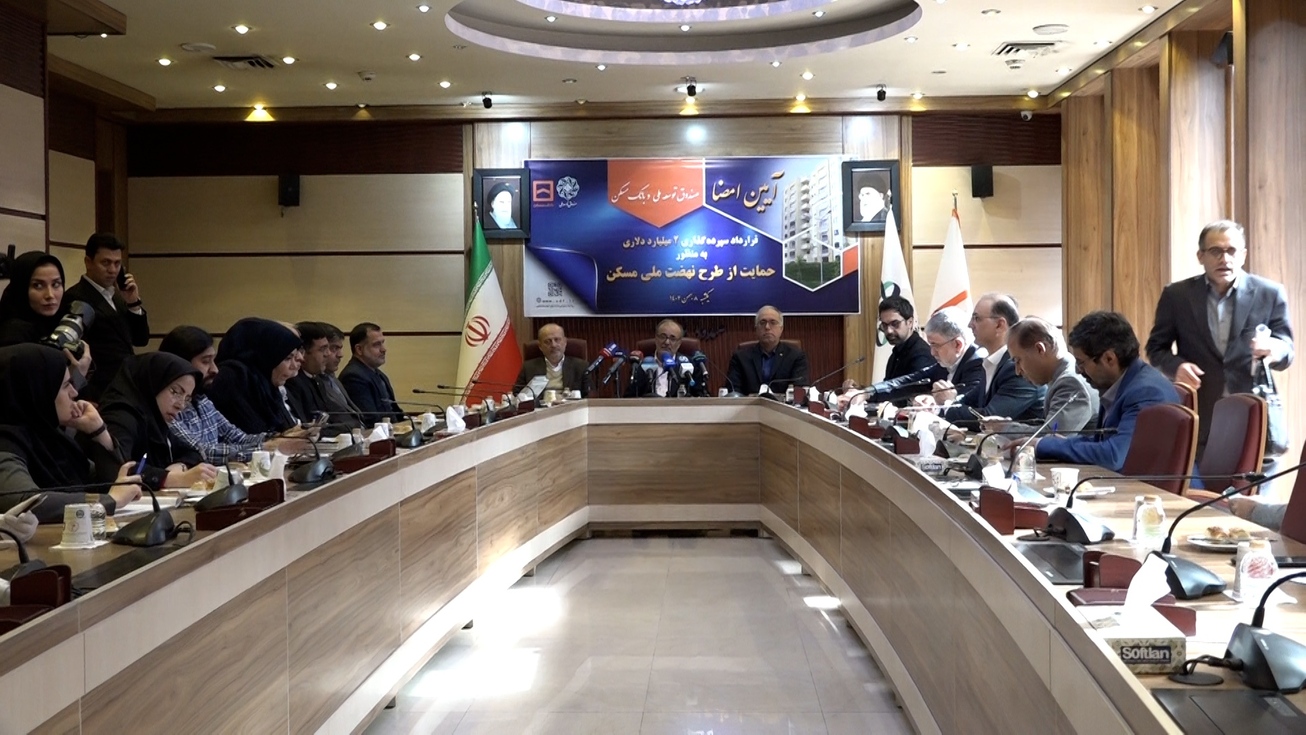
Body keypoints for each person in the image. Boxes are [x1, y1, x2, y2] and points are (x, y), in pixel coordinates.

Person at [1145, 220, 1294, 454]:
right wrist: (1177, 367)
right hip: (1201, 416)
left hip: (1254, 416)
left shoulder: (1269, 293)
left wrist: (1274, 349)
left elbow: (1287, 349)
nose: (1224, 259)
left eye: (1231, 251)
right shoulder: (1177, 296)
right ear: (1200, 256)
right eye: (1215, 251)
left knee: (1254, 478)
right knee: (1202, 477)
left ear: (1243, 255)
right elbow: (1156, 348)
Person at [0, 344, 142, 523]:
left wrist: (99, 432)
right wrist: (107, 501)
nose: (74, 393)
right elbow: (25, 503)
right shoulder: (5, 442)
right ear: (37, 390)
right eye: (66, 385)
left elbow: (113, 484)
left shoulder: (51, 436)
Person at [1034, 311, 1180, 471]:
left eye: (1081, 363)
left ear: (1109, 359)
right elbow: (1102, 443)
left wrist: (1044, 445)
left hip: (1150, 486)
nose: (1077, 370)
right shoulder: (1122, 383)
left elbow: (1113, 456)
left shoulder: (1145, 392)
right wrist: (1054, 444)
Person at [160, 326, 306, 464]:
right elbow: (201, 452)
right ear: (181, 362)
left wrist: (283, 437)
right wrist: (267, 448)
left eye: (213, 361)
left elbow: (238, 438)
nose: (215, 369)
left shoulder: (202, 401)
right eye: (206, 362)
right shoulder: (168, 405)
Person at [94, 352, 217, 490]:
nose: (181, 405)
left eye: (187, 398)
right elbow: (118, 469)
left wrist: (180, 466)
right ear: (152, 383)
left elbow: (192, 453)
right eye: (175, 391)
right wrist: (171, 479)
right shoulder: (120, 415)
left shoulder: (155, 418)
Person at [919, 293, 1042, 427]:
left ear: (999, 325)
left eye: (976, 318)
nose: (970, 325)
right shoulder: (992, 361)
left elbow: (988, 419)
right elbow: (969, 401)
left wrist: (948, 403)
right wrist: (937, 404)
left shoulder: (1018, 366)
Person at [60, 233, 150, 401]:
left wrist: (133, 303)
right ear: (88, 262)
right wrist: (86, 397)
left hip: (124, 386)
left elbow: (141, 339)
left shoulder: (118, 296)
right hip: (98, 392)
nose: (113, 270)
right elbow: (74, 355)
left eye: (117, 263)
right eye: (106, 263)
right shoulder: (76, 297)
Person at [987, 316, 1099, 435]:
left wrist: (1005, 429)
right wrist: (1006, 426)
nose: (1017, 371)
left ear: (1040, 349)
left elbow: (1053, 436)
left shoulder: (1071, 383)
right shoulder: (1063, 374)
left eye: (1018, 360)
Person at [0, 251, 93, 382]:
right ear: (21, 288)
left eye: (56, 284)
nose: (50, 294)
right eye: (38, 285)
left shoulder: (62, 322)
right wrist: (76, 377)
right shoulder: (13, 335)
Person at [866, 306, 984, 404]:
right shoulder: (946, 363)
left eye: (936, 345)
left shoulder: (978, 365)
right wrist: (868, 392)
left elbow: (969, 409)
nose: (932, 352)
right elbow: (909, 382)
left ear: (958, 344)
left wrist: (941, 403)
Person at [207, 318, 303, 434]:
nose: (294, 365)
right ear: (265, 356)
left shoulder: (265, 384)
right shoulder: (233, 377)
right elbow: (249, 435)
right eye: (287, 358)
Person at [726, 305, 808, 395]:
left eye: (773, 322)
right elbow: (733, 391)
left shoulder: (795, 356)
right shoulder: (740, 358)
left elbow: (799, 390)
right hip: (749, 404)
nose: (767, 327)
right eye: (762, 322)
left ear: (781, 329)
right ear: (756, 329)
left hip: (782, 404)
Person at [340, 322, 405, 422]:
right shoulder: (353, 377)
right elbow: (370, 420)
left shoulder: (378, 374)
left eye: (382, 343)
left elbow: (395, 412)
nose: (384, 349)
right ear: (359, 349)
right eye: (377, 345)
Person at [626, 319, 708, 397]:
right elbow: (629, 397)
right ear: (656, 339)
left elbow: (701, 396)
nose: (667, 342)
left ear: (679, 343)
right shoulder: (641, 365)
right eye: (663, 337)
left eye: (672, 338)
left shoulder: (690, 365)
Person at [515, 323, 590, 398]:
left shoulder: (581, 366)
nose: (553, 345)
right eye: (548, 341)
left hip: (570, 405)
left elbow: (590, 395)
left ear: (565, 342)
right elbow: (516, 394)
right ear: (540, 346)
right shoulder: (528, 367)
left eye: (557, 340)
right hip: (541, 405)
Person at [317, 322, 365, 430]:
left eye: (340, 348)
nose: (340, 354)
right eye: (334, 348)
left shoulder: (332, 378)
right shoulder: (315, 383)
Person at [285, 321, 335, 424]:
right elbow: (306, 425)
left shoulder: (317, 379)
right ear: (304, 353)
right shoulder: (293, 382)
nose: (328, 354)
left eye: (328, 348)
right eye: (322, 349)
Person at [878, 296, 933, 382]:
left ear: (910, 322)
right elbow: (887, 386)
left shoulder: (921, 355)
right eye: (884, 325)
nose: (889, 331)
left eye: (895, 324)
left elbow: (909, 389)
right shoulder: (897, 352)